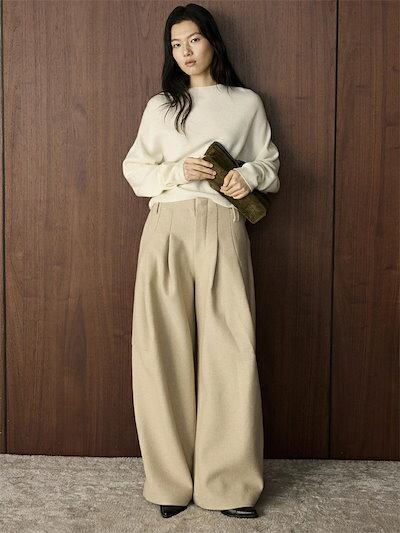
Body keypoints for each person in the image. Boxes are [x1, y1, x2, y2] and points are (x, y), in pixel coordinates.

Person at [122, 3, 280, 520]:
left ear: (212, 41)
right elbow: (135, 169)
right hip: (166, 226)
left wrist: (246, 176)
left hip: (223, 225)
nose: (185, 52)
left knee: (230, 350)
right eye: (175, 45)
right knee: (160, 350)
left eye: (193, 40)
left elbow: (270, 164)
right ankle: (169, 482)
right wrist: (177, 169)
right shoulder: (160, 107)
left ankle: (228, 484)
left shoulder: (245, 103)